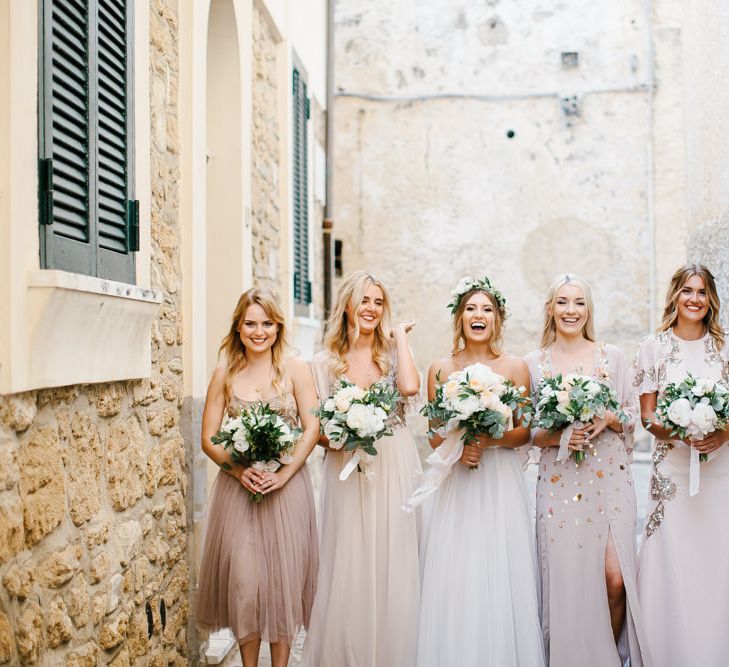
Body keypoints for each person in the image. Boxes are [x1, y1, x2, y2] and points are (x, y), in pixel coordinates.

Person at [415, 275, 545, 666]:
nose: (478, 315)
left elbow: (524, 432)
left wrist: (488, 441)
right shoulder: (439, 369)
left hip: (500, 482)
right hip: (458, 483)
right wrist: (462, 445)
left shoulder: (516, 367)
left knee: (501, 569)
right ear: (459, 317)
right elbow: (435, 437)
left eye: (486, 309)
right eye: (471, 308)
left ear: (497, 320)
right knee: (458, 570)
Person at [525, 273, 650, 667]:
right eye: (563, 302)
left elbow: (634, 416)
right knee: (568, 583)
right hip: (560, 483)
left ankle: (608, 657)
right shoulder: (534, 364)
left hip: (610, 479)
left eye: (578, 303)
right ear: (550, 309)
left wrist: (609, 417)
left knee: (615, 579)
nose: (571, 310)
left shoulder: (611, 356)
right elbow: (527, 431)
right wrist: (560, 435)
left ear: (588, 310)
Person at [302, 271, 421, 667]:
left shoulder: (391, 353)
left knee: (395, 557)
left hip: (394, 462)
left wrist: (401, 338)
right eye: (363, 300)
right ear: (347, 305)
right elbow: (314, 430)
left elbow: (408, 388)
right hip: (346, 468)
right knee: (348, 561)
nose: (371, 308)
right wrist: (341, 436)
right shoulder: (323, 364)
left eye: (378, 302)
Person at [196, 288, 319, 667]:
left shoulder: (296, 369)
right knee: (245, 585)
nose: (259, 331)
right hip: (239, 494)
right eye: (250, 323)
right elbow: (208, 438)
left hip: (287, 492)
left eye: (266, 323)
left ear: (277, 326)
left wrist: (285, 473)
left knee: (282, 585)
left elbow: (312, 427)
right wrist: (237, 469)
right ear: (238, 327)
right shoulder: (225, 374)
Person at [635, 263, 729, 667]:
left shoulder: (724, 348)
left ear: (711, 300)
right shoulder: (653, 347)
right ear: (675, 295)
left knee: (714, 556)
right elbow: (647, 417)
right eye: (687, 291)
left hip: (719, 470)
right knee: (673, 554)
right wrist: (679, 431)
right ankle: (670, 651)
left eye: (702, 292)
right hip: (672, 470)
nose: (694, 299)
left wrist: (720, 435)